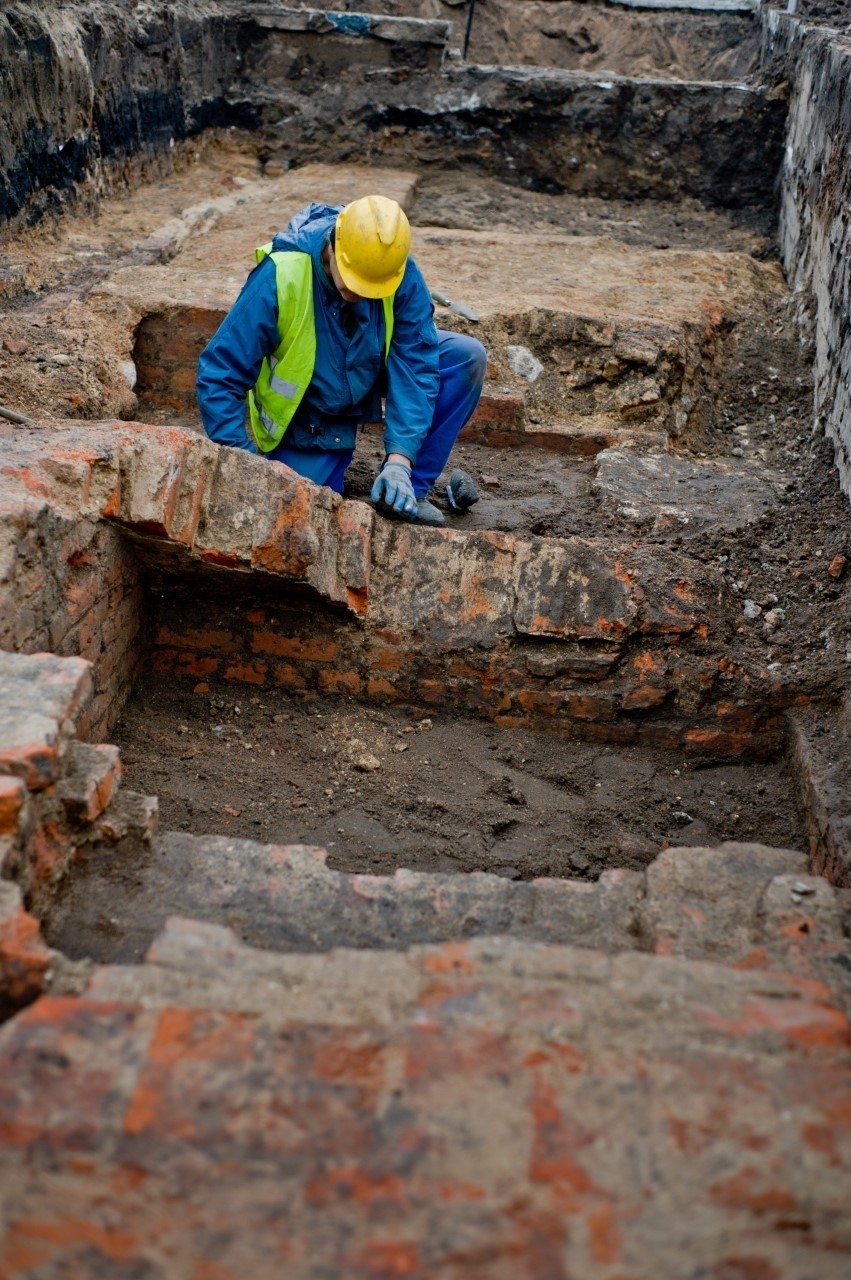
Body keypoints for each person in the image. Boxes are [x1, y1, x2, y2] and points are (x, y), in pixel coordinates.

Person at [196, 195, 486, 526]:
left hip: (370, 369)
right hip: (313, 413)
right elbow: (220, 373)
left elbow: (416, 366)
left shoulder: (394, 270)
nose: (361, 295)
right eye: (352, 284)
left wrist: (400, 460)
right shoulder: (281, 274)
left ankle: (409, 489)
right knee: (301, 513)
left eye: (371, 289)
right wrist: (244, 464)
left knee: (465, 358)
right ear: (332, 248)